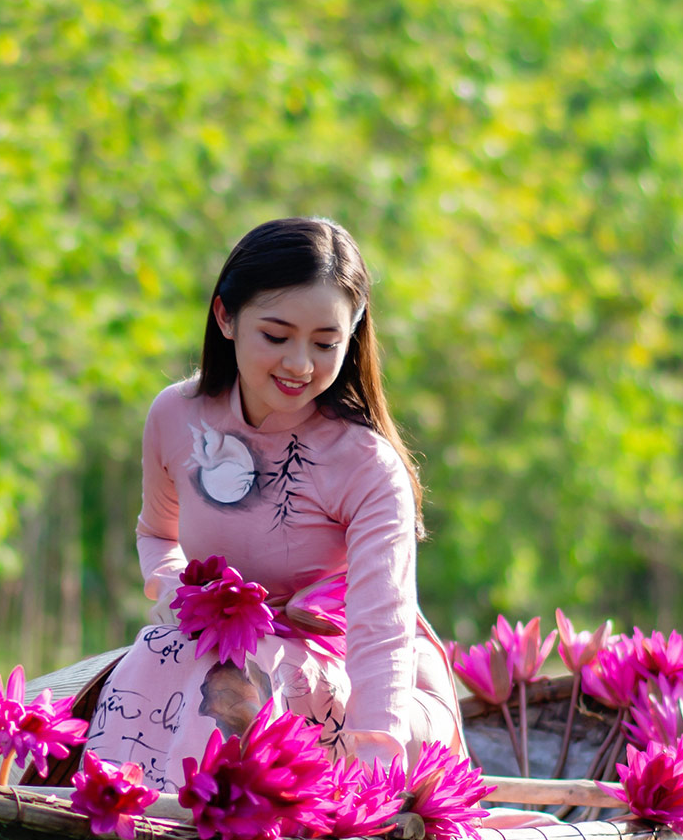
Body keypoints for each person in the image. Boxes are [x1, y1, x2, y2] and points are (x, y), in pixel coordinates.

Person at [82, 217, 463, 792]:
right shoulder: (176, 416)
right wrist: (180, 595)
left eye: (325, 343)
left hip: (353, 680)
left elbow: (380, 628)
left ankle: (233, 815)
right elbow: (159, 536)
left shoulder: (366, 465)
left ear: (352, 336)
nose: (299, 365)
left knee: (245, 673)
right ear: (225, 317)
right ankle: (126, 803)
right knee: (165, 649)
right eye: (277, 336)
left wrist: (377, 758)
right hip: (220, 654)